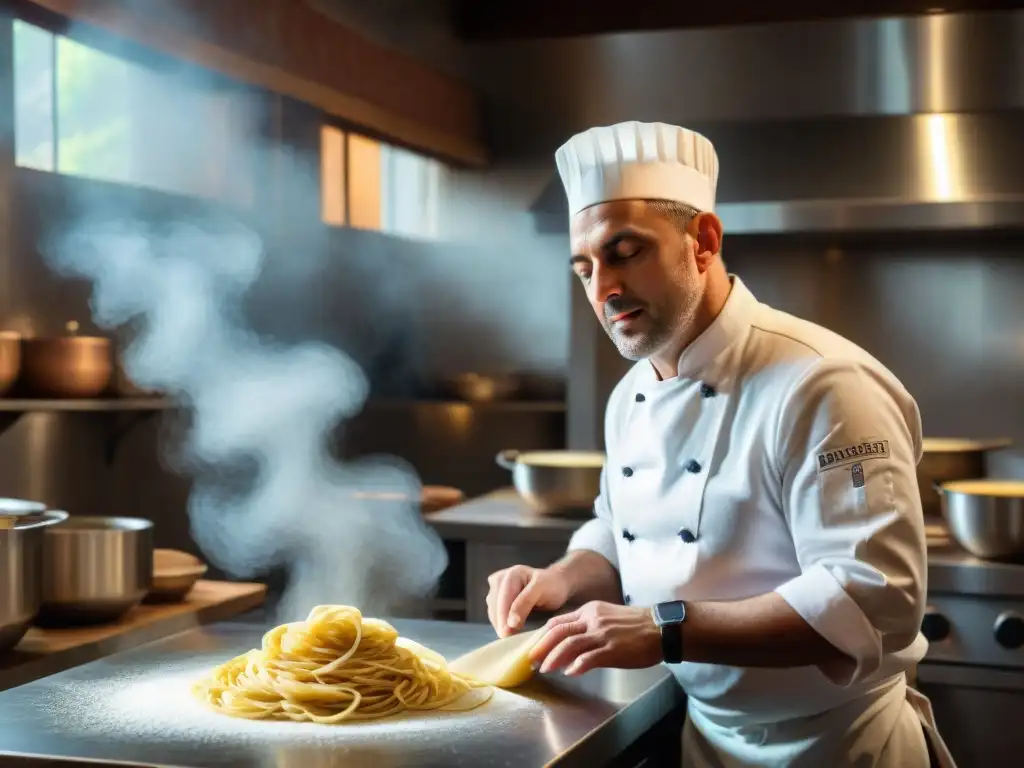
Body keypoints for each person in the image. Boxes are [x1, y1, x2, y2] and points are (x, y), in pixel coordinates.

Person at [485, 121, 956, 767]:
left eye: (626, 252)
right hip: (704, 740)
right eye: (585, 267)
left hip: (840, 747)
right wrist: (559, 581)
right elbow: (619, 531)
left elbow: (875, 600)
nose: (603, 290)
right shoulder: (629, 395)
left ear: (703, 241)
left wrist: (665, 628)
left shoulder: (822, 383)